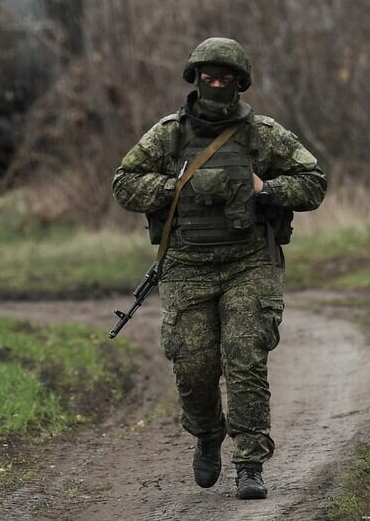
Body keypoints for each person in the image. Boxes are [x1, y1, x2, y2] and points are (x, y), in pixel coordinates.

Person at [112, 37, 327, 500]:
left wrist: (264, 187)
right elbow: (124, 183)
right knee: (194, 366)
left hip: (249, 262)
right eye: (207, 75)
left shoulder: (261, 134)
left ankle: (249, 464)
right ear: (194, 78)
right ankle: (208, 434)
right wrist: (177, 187)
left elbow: (313, 183)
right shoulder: (169, 133)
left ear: (239, 82)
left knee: (245, 358)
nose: (215, 82)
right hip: (187, 266)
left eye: (225, 76)